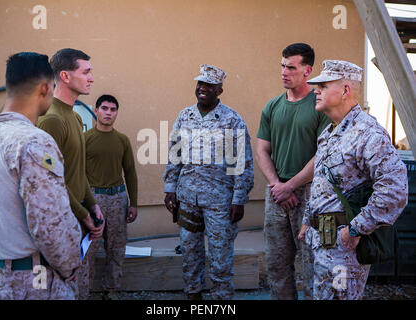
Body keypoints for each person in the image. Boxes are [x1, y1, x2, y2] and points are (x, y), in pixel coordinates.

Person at [0, 52, 81, 299]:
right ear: (44, 88)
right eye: (52, 87)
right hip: (30, 282)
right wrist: (71, 267)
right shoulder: (33, 142)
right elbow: (50, 224)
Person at [298, 60, 408, 300]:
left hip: (343, 248)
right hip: (321, 242)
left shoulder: (368, 133)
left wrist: (357, 228)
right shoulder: (329, 133)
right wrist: (308, 220)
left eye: (324, 85)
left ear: (346, 90)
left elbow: (395, 189)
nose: (316, 90)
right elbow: (322, 184)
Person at [163, 64, 254, 300]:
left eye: (209, 86)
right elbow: (175, 154)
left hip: (220, 202)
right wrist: (170, 189)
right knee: (190, 252)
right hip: (188, 198)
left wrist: (239, 199)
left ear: (219, 91)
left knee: (220, 256)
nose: (203, 89)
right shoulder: (185, 116)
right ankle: (193, 296)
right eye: (200, 84)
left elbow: (242, 163)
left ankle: (221, 299)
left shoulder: (232, 120)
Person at [255, 43, 331, 300]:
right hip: (276, 193)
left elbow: (322, 155)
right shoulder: (272, 107)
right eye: (282, 66)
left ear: (307, 70)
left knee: (312, 263)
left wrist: (291, 186)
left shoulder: (320, 106)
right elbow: (262, 150)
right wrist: (278, 185)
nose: (284, 72)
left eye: (291, 67)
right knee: (277, 264)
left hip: (310, 194)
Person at [37, 48, 104, 300]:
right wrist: (83, 214)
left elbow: (77, 171)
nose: (91, 78)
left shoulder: (75, 117)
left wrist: (93, 205)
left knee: (79, 286)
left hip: (77, 219)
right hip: (61, 221)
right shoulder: (52, 120)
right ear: (65, 76)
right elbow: (50, 180)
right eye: (86, 72)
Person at [85, 94, 138, 300]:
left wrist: (133, 203)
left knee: (116, 247)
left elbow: (130, 172)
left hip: (118, 197)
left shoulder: (122, 140)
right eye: (104, 108)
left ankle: (111, 290)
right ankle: (85, 290)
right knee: (88, 249)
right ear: (96, 111)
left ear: (116, 113)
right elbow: (77, 173)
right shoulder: (85, 139)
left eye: (113, 109)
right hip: (93, 198)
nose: (108, 113)